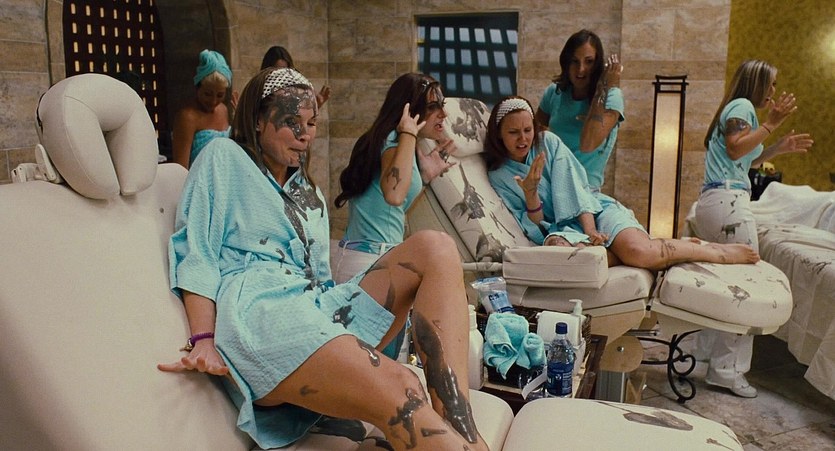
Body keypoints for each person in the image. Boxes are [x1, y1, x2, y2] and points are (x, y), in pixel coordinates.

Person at [157, 67, 487, 451]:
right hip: (262, 317)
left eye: (311, 123)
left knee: (436, 247)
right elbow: (197, 251)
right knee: (401, 386)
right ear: (258, 120)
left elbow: (321, 281)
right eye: (291, 122)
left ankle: (464, 430)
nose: (305, 135)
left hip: (314, 311)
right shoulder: (224, 157)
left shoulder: (308, 193)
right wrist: (203, 339)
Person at [484, 95, 761, 271]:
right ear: (499, 135)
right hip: (561, 233)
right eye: (513, 132)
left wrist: (591, 231)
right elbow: (535, 225)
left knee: (639, 253)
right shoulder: (499, 176)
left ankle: (715, 252)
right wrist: (531, 194)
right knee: (568, 258)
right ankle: (677, 246)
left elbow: (577, 189)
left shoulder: (548, 143)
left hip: (594, 211)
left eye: (528, 129)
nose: (523, 138)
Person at [691, 59, 813, 398]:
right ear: (757, 83)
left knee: (721, 281)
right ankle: (727, 371)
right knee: (746, 283)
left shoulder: (739, 110)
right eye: (771, 84)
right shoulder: (743, 106)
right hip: (729, 203)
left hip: (715, 202)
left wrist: (777, 148)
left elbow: (744, 158)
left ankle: (706, 353)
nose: (773, 91)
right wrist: (772, 123)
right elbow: (735, 148)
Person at [333, 73, 455, 284]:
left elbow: (391, 209)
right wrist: (409, 133)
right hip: (369, 262)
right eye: (433, 106)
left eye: (442, 105)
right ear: (410, 110)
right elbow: (394, 195)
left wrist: (425, 177)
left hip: (365, 257)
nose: (443, 114)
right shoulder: (395, 140)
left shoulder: (389, 140)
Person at [535, 29, 623, 191]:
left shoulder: (612, 97)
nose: (581, 69)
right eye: (574, 61)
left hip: (586, 189)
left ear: (597, 64)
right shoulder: (554, 92)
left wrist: (602, 88)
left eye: (589, 62)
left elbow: (588, 144)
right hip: (550, 184)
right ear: (566, 62)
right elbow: (533, 137)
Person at [172, 49, 233, 169]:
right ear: (197, 88)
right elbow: (181, 167)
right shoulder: (187, 117)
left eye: (220, 95)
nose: (213, 101)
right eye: (207, 94)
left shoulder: (223, 110)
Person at [261, 45, 330, 108]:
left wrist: (317, 106)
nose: (282, 75)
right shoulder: (261, 90)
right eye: (277, 71)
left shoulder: (295, 91)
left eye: (285, 70)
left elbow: (299, 116)